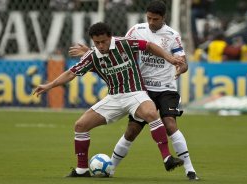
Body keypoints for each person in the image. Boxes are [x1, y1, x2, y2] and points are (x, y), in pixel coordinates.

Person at [34, 22, 184, 177]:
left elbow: (149, 46)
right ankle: (82, 170)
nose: (100, 45)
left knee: (152, 114)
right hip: (114, 98)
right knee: (80, 126)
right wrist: (50, 85)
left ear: (110, 38)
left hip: (135, 93)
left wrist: (170, 58)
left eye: (103, 41)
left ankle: (167, 158)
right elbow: (71, 73)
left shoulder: (124, 44)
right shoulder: (91, 56)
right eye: (96, 43)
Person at [69, 0, 199, 180]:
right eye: (149, 18)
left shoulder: (172, 35)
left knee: (170, 123)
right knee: (131, 131)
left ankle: (190, 170)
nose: (151, 22)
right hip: (142, 89)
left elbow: (182, 62)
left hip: (166, 88)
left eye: (155, 19)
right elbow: (119, 47)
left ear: (164, 17)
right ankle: (110, 168)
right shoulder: (137, 29)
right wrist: (91, 51)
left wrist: (180, 68)